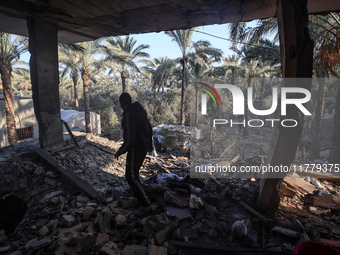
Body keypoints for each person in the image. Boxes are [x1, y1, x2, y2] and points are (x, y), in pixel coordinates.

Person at [114, 93, 153, 218]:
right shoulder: (140, 111)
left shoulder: (129, 114)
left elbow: (130, 137)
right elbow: (149, 127)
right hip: (144, 144)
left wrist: (121, 151)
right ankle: (135, 189)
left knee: (130, 177)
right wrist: (150, 144)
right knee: (134, 172)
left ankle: (146, 205)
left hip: (137, 147)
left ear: (121, 103)